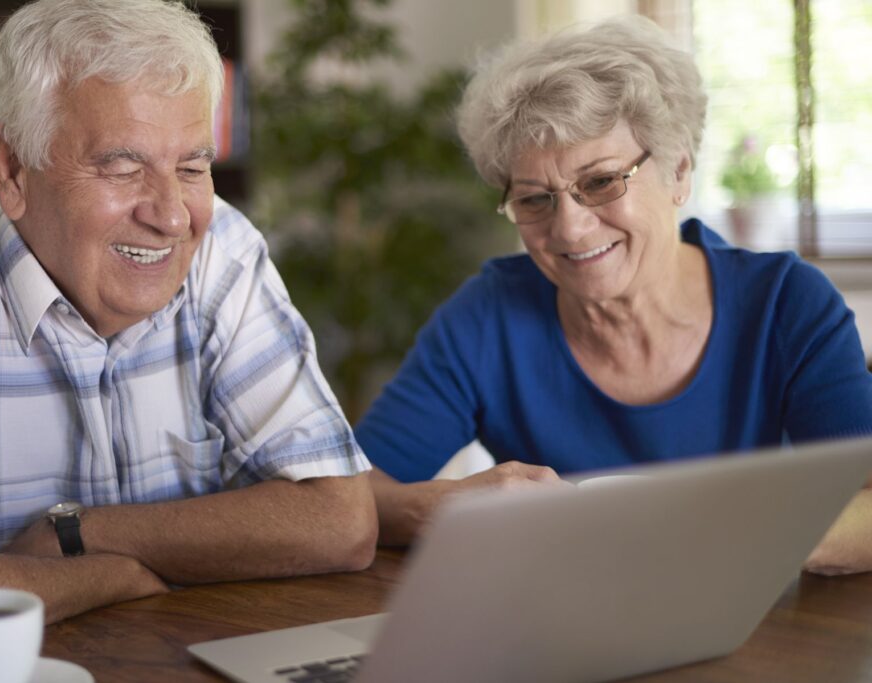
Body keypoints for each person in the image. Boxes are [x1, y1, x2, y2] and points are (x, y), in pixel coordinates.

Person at [0, 0, 376, 666]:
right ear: (12, 169)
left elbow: (339, 518)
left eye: (191, 166)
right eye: (122, 167)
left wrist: (75, 533)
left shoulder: (223, 250)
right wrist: (103, 574)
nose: (171, 215)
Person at [355, 16, 872, 571]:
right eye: (534, 200)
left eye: (600, 182)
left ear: (678, 172)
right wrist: (445, 507)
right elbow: (357, 497)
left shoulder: (785, 304)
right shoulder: (486, 317)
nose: (570, 229)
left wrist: (714, 534)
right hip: (559, 630)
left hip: (750, 624)